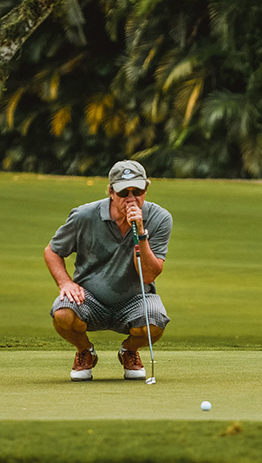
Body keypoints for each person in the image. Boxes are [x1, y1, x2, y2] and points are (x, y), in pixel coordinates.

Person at [44, 160, 173, 381]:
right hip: (89, 299)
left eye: (138, 191)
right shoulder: (84, 216)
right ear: (111, 192)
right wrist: (65, 283)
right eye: (124, 192)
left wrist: (140, 233)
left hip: (135, 298)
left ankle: (129, 351)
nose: (131, 198)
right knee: (63, 313)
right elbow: (52, 251)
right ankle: (85, 351)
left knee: (155, 320)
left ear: (146, 189)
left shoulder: (160, 218)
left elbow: (149, 274)